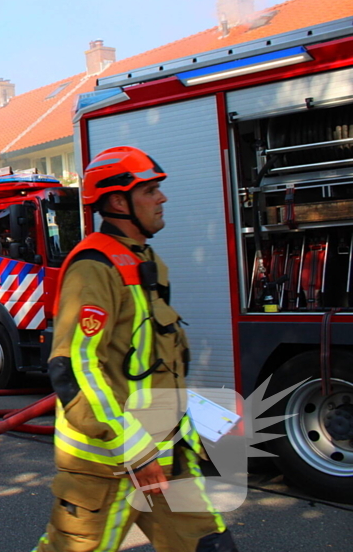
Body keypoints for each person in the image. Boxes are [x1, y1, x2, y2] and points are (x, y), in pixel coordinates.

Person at [33, 146, 237, 552]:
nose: (162, 198)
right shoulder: (94, 267)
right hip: (109, 465)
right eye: (150, 191)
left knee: (209, 546)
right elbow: (73, 367)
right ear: (116, 202)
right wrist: (135, 451)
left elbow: (155, 361)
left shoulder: (144, 260)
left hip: (165, 454)